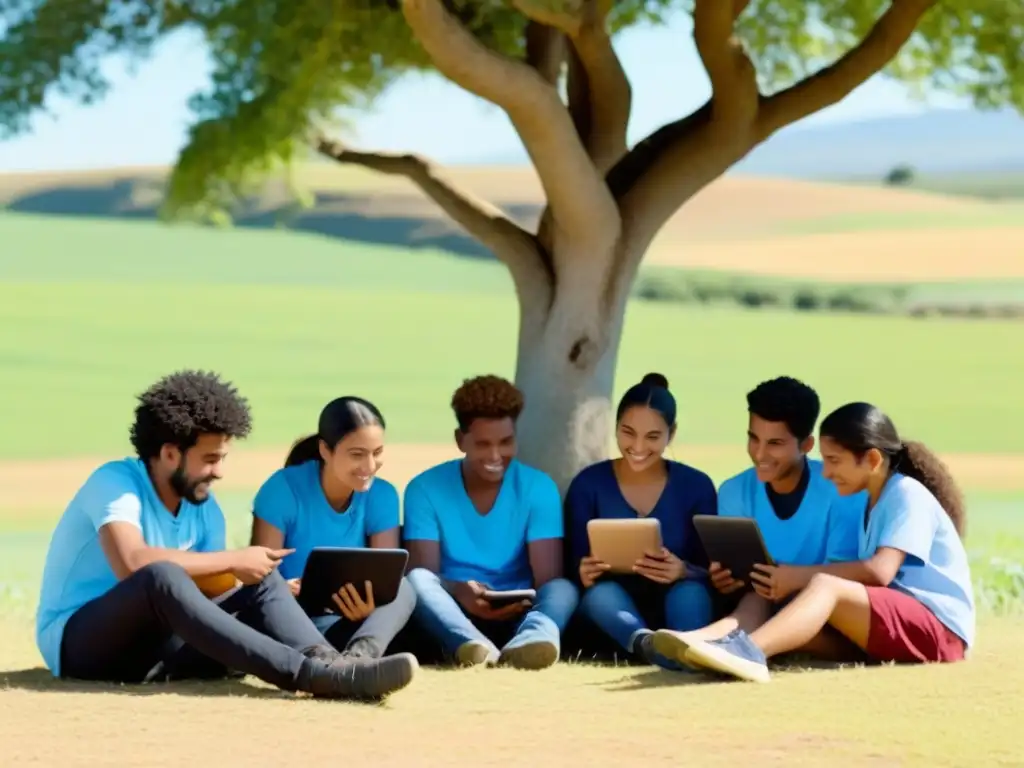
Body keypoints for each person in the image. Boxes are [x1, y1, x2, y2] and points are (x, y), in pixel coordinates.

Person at [35, 370, 417, 700]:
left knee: (264, 581)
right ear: (171, 454)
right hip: (82, 646)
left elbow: (209, 593)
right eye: (210, 459)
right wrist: (236, 559)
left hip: (156, 652)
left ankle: (333, 665)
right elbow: (132, 564)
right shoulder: (115, 483)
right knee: (161, 575)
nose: (219, 472)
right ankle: (307, 675)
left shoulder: (205, 509)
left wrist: (265, 586)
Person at [653, 401, 975, 682]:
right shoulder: (867, 502)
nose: (826, 472)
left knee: (825, 585)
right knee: (775, 600)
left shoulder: (906, 494)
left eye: (835, 461)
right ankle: (707, 643)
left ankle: (746, 651)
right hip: (889, 626)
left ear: (873, 460)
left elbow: (880, 572)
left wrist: (797, 576)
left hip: (939, 631)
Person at [656, 376, 864, 662]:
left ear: (806, 444)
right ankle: (708, 642)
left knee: (766, 594)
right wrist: (724, 579)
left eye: (775, 443)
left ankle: (728, 646)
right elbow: (741, 578)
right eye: (753, 438)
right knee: (758, 594)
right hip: (760, 605)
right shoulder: (733, 491)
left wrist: (788, 579)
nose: (760, 453)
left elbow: (843, 580)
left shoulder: (839, 490)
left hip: (825, 620)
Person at [402, 374, 578, 669]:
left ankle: (533, 639)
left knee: (563, 589)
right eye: (483, 444)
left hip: (521, 611)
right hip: (453, 613)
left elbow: (547, 578)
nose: (496, 455)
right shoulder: (424, 489)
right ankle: (474, 647)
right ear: (460, 440)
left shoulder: (538, 487)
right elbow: (426, 573)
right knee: (416, 581)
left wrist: (518, 602)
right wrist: (460, 591)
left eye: (506, 442)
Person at [565, 373, 717, 669]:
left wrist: (684, 570)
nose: (637, 446)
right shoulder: (588, 484)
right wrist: (583, 572)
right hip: (613, 609)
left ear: (671, 435)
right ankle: (647, 645)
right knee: (601, 594)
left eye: (653, 437)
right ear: (616, 428)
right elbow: (571, 567)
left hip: (676, 595)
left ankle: (686, 652)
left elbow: (712, 572)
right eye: (628, 432)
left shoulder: (696, 485)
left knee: (691, 593)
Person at [250, 396, 415, 661]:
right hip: (291, 621)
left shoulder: (382, 495)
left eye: (377, 452)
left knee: (405, 587)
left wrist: (370, 607)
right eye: (357, 454)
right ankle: (336, 662)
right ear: (325, 450)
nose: (370, 466)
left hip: (351, 625)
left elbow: (387, 575)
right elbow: (260, 576)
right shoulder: (282, 489)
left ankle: (360, 658)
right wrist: (283, 588)